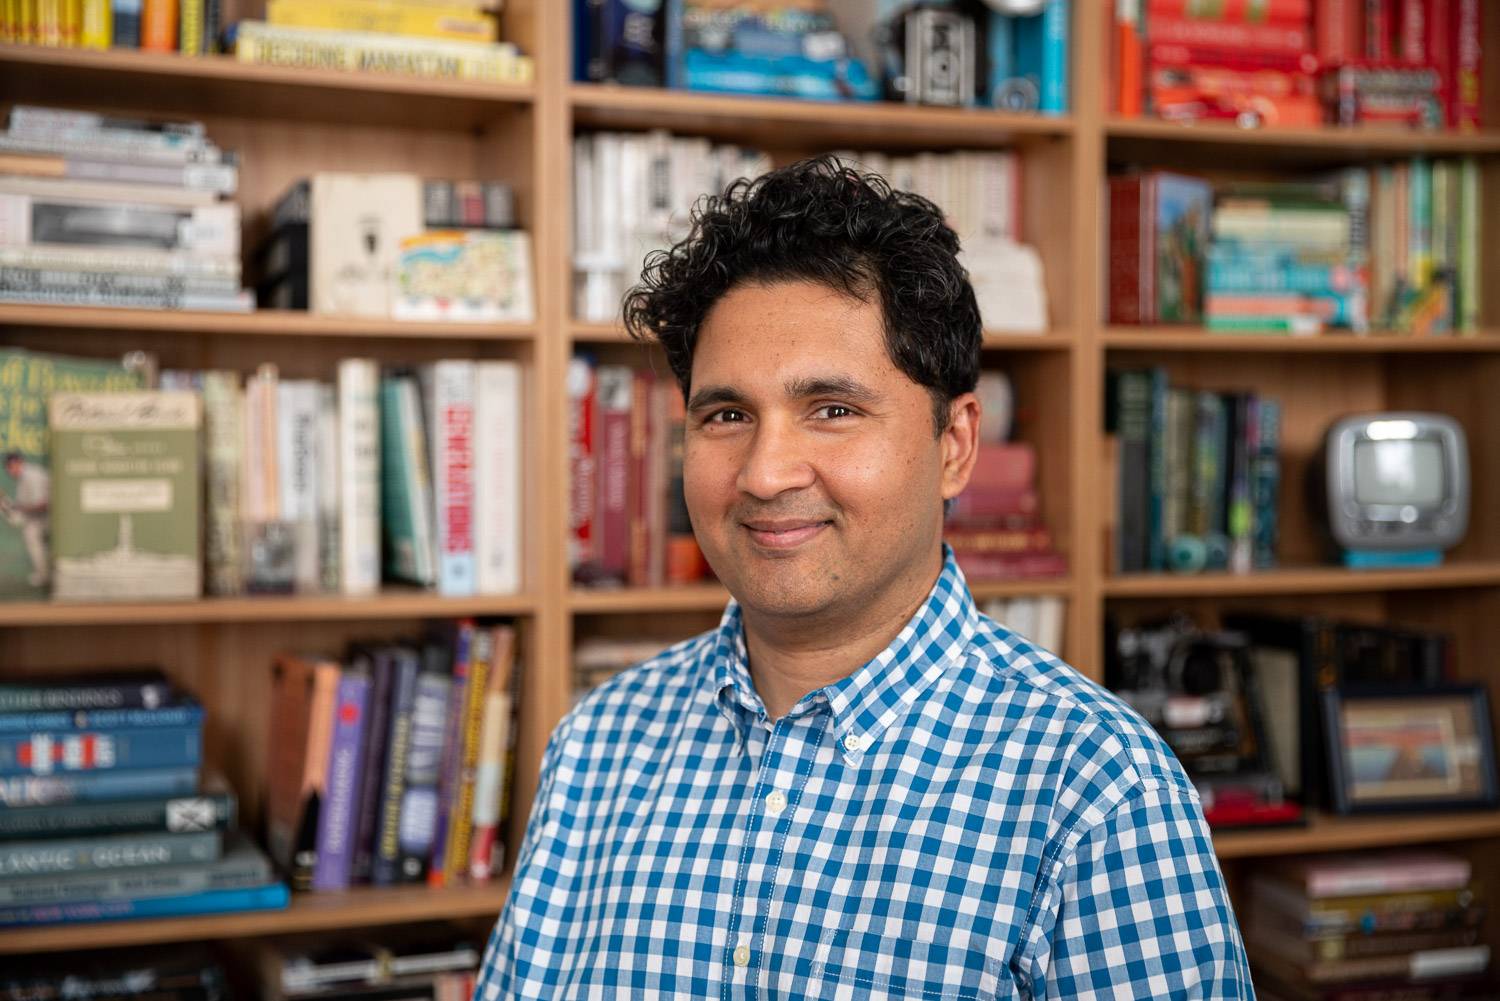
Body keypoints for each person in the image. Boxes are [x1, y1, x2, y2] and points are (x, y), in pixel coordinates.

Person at [474, 156, 1252, 999]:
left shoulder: (1094, 791)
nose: (766, 473)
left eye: (833, 410)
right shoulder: (597, 747)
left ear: (953, 443)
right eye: (727, 415)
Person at [3, 452, 50, 588]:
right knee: (30, 534)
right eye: (8, 468)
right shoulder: (23, 478)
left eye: (10, 467)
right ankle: (45, 575)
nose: (9, 471)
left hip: (56, 516)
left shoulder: (32, 475)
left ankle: (46, 576)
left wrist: (16, 508)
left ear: (18, 463)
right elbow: (19, 515)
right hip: (40, 517)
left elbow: (42, 505)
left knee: (32, 534)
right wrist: (8, 507)